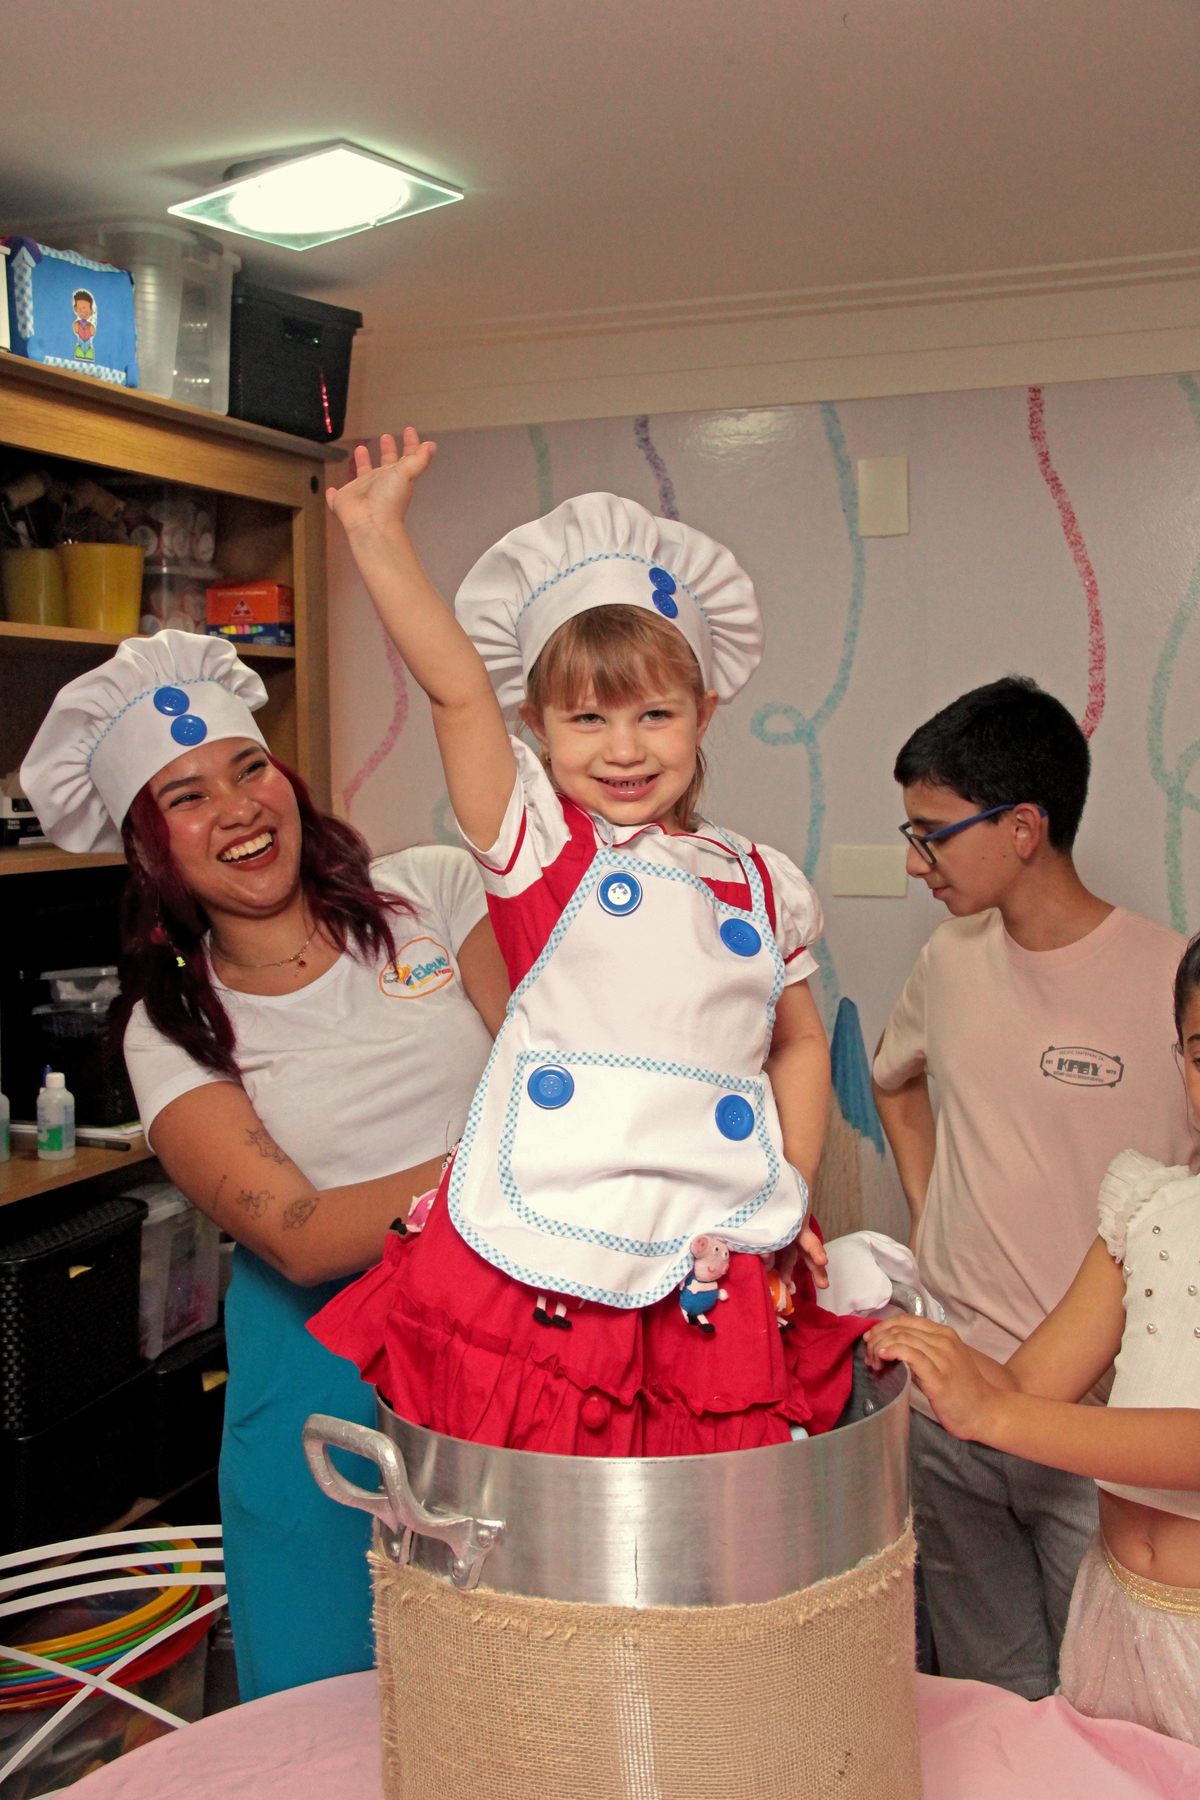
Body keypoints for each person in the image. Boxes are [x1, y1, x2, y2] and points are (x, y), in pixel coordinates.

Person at [310, 430, 871, 1456]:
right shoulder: (535, 847)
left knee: (704, 1503)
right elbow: (455, 690)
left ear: (704, 713)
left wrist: (785, 1185)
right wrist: (379, 536)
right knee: (544, 1503)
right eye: (585, 719)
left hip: (711, 1244)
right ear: (536, 725)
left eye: (655, 713)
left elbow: (794, 1039)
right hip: (547, 1241)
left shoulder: (763, 881)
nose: (623, 748)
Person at [20, 632, 508, 1702]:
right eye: (187, 796)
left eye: (250, 769)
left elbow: (544, 1053)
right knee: (327, 1696)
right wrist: (517, 1159)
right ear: (150, 847)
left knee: (512, 1673)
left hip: (506, 1331)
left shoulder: (427, 891)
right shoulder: (169, 1027)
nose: (238, 807)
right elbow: (301, 1234)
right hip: (320, 1371)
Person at [871, 676, 1198, 1698]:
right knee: (984, 1699)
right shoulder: (947, 959)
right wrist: (929, 1215)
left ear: (1022, 827)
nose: (915, 862)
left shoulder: (1172, 982)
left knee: (1102, 1697)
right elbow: (894, 1082)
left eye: (932, 834)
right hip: (950, 1405)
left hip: (1103, 1430)